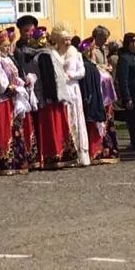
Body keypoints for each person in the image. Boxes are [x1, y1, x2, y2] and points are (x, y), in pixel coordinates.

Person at [0, 29, 32, 174]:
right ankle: (3, 161)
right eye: (3, 46)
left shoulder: (8, 59)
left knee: (15, 129)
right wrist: (9, 88)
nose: (6, 48)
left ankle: (17, 161)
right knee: (2, 129)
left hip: (12, 98)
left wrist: (24, 83)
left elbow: (15, 77)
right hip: (0, 99)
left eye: (7, 45)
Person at [34, 27, 77, 169]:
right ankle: (52, 155)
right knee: (51, 126)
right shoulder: (43, 55)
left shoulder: (49, 54)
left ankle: (61, 153)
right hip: (50, 97)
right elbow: (48, 79)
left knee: (59, 125)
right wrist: (51, 95)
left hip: (57, 95)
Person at [54, 25, 91, 167]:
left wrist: (72, 75)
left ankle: (80, 152)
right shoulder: (55, 54)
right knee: (65, 118)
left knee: (75, 117)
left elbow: (82, 71)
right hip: (61, 89)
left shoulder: (76, 54)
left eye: (69, 39)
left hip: (73, 88)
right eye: (64, 40)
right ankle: (67, 152)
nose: (67, 42)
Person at [79, 38, 120, 163]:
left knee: (105, 127)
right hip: (97, 101)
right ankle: (96, 151)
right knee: (96, 128)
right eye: (93, 49)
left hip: (106, 103)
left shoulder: (96, 67)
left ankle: (106, 150)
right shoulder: (88, 67)